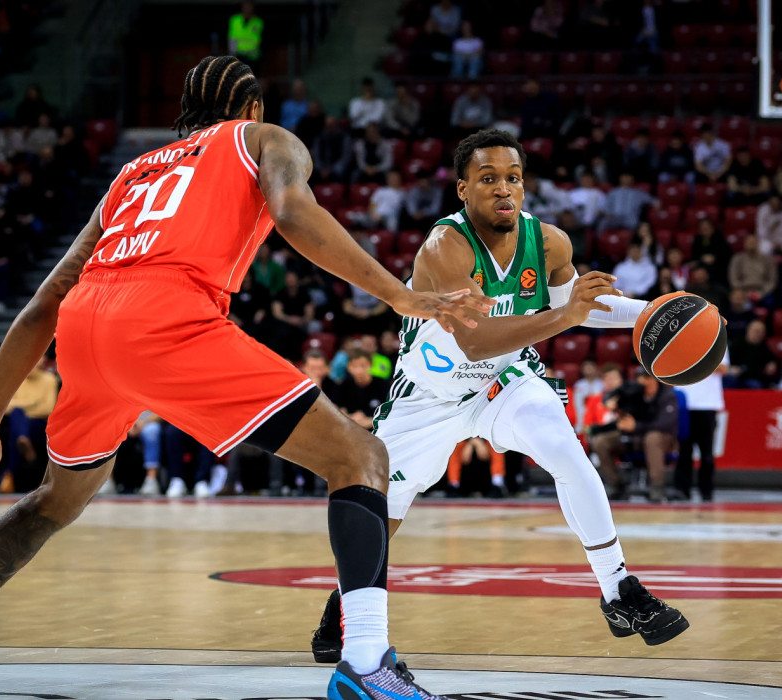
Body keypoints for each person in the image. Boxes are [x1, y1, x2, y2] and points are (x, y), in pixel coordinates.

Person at [0, 56, 489, 700]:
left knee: (54, 499)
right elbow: (292, 212)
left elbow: (46, 300)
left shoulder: (134, 171)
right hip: (168, 318)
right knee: (361, 457)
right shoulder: (264, 138)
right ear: (252, 109)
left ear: (186, 115)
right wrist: (399, 294)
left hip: (86, 325)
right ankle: (366, 663)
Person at [310, 128, 689, 668]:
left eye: (513, 178)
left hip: (504, 380)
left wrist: (664, 314)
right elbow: (476, 339)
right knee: (383, 508)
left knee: (567, 453)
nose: (503, 188)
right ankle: (345, 602)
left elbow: (583, 308)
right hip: (430, 394)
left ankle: (618, 590)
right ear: (463, 189)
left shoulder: (550, 243)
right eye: (487, 179)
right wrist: (563, 317)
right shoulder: (445, 246)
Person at [589, 368, 679, 503]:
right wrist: (609, 401)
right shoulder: (635, 390)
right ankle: (616, 485)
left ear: (653, 380)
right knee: (600, 442)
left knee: (652, 438)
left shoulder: (667, 395)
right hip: (634, 437)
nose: (642, 387)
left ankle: (657, 487)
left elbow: (664, 424)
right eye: (640, 383)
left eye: (645, 382)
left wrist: (636, 426)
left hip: (662, 439)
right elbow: (614, 394)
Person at [0, 356, 60, 494]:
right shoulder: (15, 379)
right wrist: (33, 404)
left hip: (39, 423)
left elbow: (48, 408)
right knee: (17, 416)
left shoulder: (49, 379)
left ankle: (9, 476)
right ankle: (23, 439)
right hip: (18, 421)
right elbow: (5, 407)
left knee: (17, 418)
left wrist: (22, 408)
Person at [674, 351, 727, 502]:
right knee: (684, 451)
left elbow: (724, 369)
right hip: (683, 403)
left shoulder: (716, 339)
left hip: (707, 404)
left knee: (706, 452)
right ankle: (682, 490)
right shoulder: (677, 341)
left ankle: (706, 491)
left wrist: (697, 358)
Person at [332, 350, 390, 430]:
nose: (359, 371)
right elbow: (338, 409)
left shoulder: (383, 385)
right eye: (354, 366)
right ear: (348, 367)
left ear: (370, 365)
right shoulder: (344, 386)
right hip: (350, 430)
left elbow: (390, 412)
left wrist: (370, 421)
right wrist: (350, 419)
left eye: (363, 366)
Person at [728, 233, 777, 302]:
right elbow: (733, 278)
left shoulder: (767, 260)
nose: (751, 244)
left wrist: (762, 293)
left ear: (758, 244)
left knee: (771, 301)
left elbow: (772, 280)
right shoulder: (737, 259)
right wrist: (742, 292)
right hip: (742, 291)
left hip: (762, 291)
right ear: (744, 244)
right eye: (749, 242)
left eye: (753, 242)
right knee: (736, 299)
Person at [227, 2, 263, 66]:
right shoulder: (235, 19)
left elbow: (257, 39)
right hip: (237, 55)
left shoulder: (258, 21)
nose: (247, 9)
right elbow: (232, 37)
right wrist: (232, 53)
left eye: (249, 7)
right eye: (246, 7)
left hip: (252, 56)